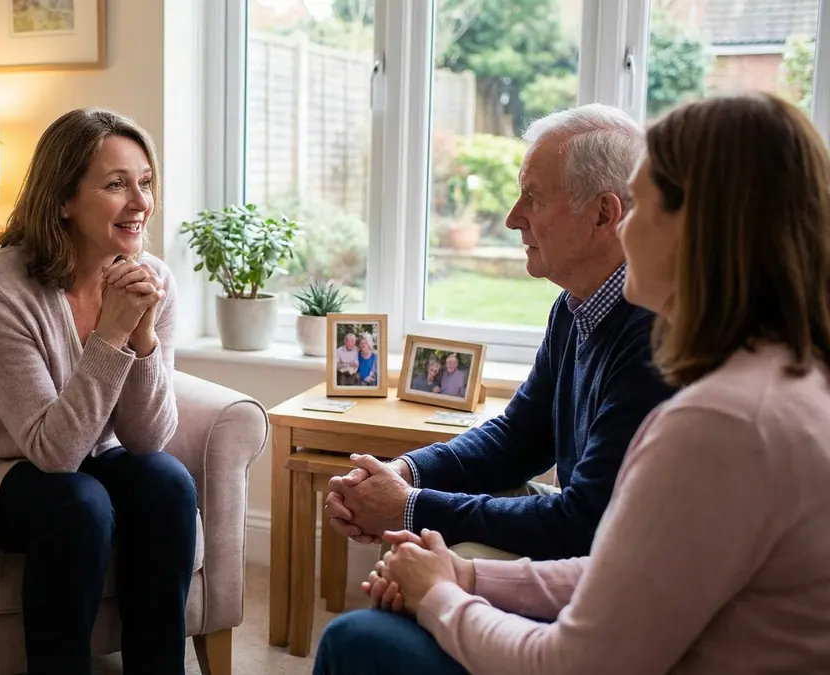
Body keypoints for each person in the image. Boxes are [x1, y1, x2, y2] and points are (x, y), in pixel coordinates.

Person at [316, 91, 830, 675]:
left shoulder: (719, 418)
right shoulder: (777, 375)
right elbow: (626, 558)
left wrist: (438, 590)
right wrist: (459, 564)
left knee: (357, 641)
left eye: (648, 202)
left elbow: (581, 648)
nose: (512, 218)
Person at [0, 108, 197, 675]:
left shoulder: (151, 279)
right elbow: (53, 454)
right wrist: (111, 333)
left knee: (165, 481)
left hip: (79, 458)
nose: (140, 201)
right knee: (78, 504)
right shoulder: (0, 287)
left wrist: (141, 337)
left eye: (145, 182)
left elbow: (147, 438)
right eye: (116, 184)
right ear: (63, 199)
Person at [324, 103, 676, 560]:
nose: (512, 218)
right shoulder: (574, 308)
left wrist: (409, 508)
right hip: (585, 543)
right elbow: (519, 437)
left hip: (615, 569)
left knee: (410, 569)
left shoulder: (654, 335)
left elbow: (585, 524)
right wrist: (404, 473)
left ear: (603, 215)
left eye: (534, 197)